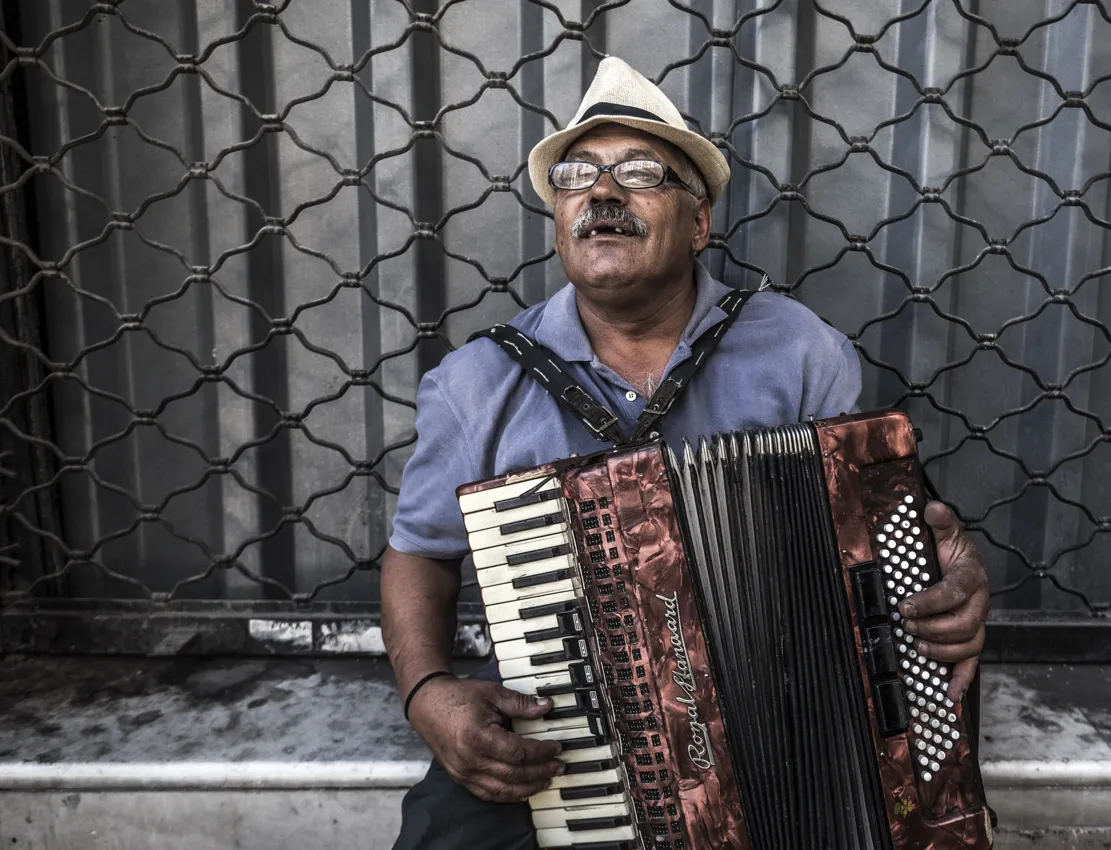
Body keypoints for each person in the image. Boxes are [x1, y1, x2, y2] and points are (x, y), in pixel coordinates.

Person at [380, 56, 990, 850]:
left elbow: (879, 543)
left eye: (640, 173)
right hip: (569, 729)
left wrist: (944, 582)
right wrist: (428, 692)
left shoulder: (801, 352)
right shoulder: (476, 383)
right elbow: (419, 553)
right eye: (576, 176)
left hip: (786, 718)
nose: (602, 193)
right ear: (560, 219)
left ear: (699, 223)